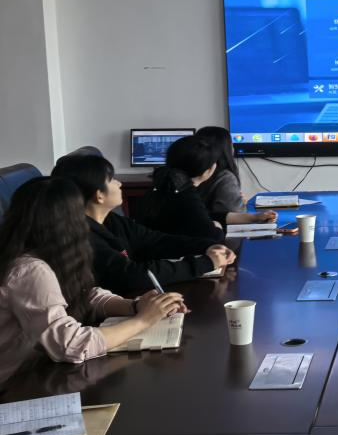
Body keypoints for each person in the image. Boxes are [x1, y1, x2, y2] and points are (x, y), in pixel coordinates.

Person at [0, 177, 186, 385]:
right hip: (10, 384)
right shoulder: (29, 270)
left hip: (30, 368)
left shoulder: (42, 254)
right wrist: (143, 320)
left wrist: (134, 306)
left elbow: (84, 293)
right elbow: (70, 346)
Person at [52, 155, 236, 296]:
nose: (119, 183)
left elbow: (154, 241)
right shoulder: (81, 236)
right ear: (99, 195)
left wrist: (206, 246)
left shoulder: (109, 220)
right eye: (112, 179)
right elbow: (131, 275)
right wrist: (205, 263)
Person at [142, 136, 276, 241]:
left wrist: (252, 218)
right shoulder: (185, 195)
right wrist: (216, 226)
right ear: (207, 170)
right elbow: (213, 236)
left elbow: (204, 216)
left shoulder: (165, 186)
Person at [195, 126, 244, 214]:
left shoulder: (187, 172)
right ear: (226, 149)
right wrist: (240, 204)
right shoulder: (225, 177)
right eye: (231, 144)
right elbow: (234, 213)